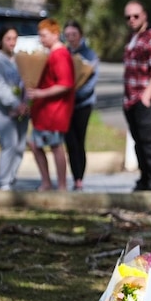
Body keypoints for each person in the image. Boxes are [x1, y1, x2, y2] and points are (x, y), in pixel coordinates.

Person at [122, 0, 151, 192]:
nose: (132, 19)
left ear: (144, 16)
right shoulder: (134, 38)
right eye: (128, 17)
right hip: (131, 100)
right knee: (139, 142)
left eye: (136, 16)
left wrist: (146, 97)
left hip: (145, 99)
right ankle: (144, 178)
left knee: (150, 142)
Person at [27, 18, 75, 191]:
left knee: (55, 146)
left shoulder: (60, 54)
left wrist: (41, 93)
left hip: (54, 111)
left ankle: (61, 185)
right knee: (34, 144)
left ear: (55, 34)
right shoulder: (51, 54)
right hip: (43, 111)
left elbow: (66, 83)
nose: (41, 39)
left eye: (44, 35)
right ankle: (46, 181)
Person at [0, 26, 29, 191]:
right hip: (4, 111)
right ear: (1, 40)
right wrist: (15, 104)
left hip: (22, 110)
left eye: (14, 38)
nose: (12, 42)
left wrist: (25, 103)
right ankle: (3, 181)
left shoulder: (19, 59)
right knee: (9, 144)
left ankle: (12, 177)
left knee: (20, 145)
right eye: (8, 39)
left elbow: (26, 81)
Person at [63, 20, 99, 191]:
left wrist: (73, 93)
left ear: (80, 35)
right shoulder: (64, 53)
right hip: (66, 105)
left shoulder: (89, 55)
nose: (71, 38)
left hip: (83, 104)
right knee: (70, 142)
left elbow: (90, 83)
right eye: (68, 35)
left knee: (79, 140)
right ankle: (75, 175)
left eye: (74, 35)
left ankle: (79, 179)